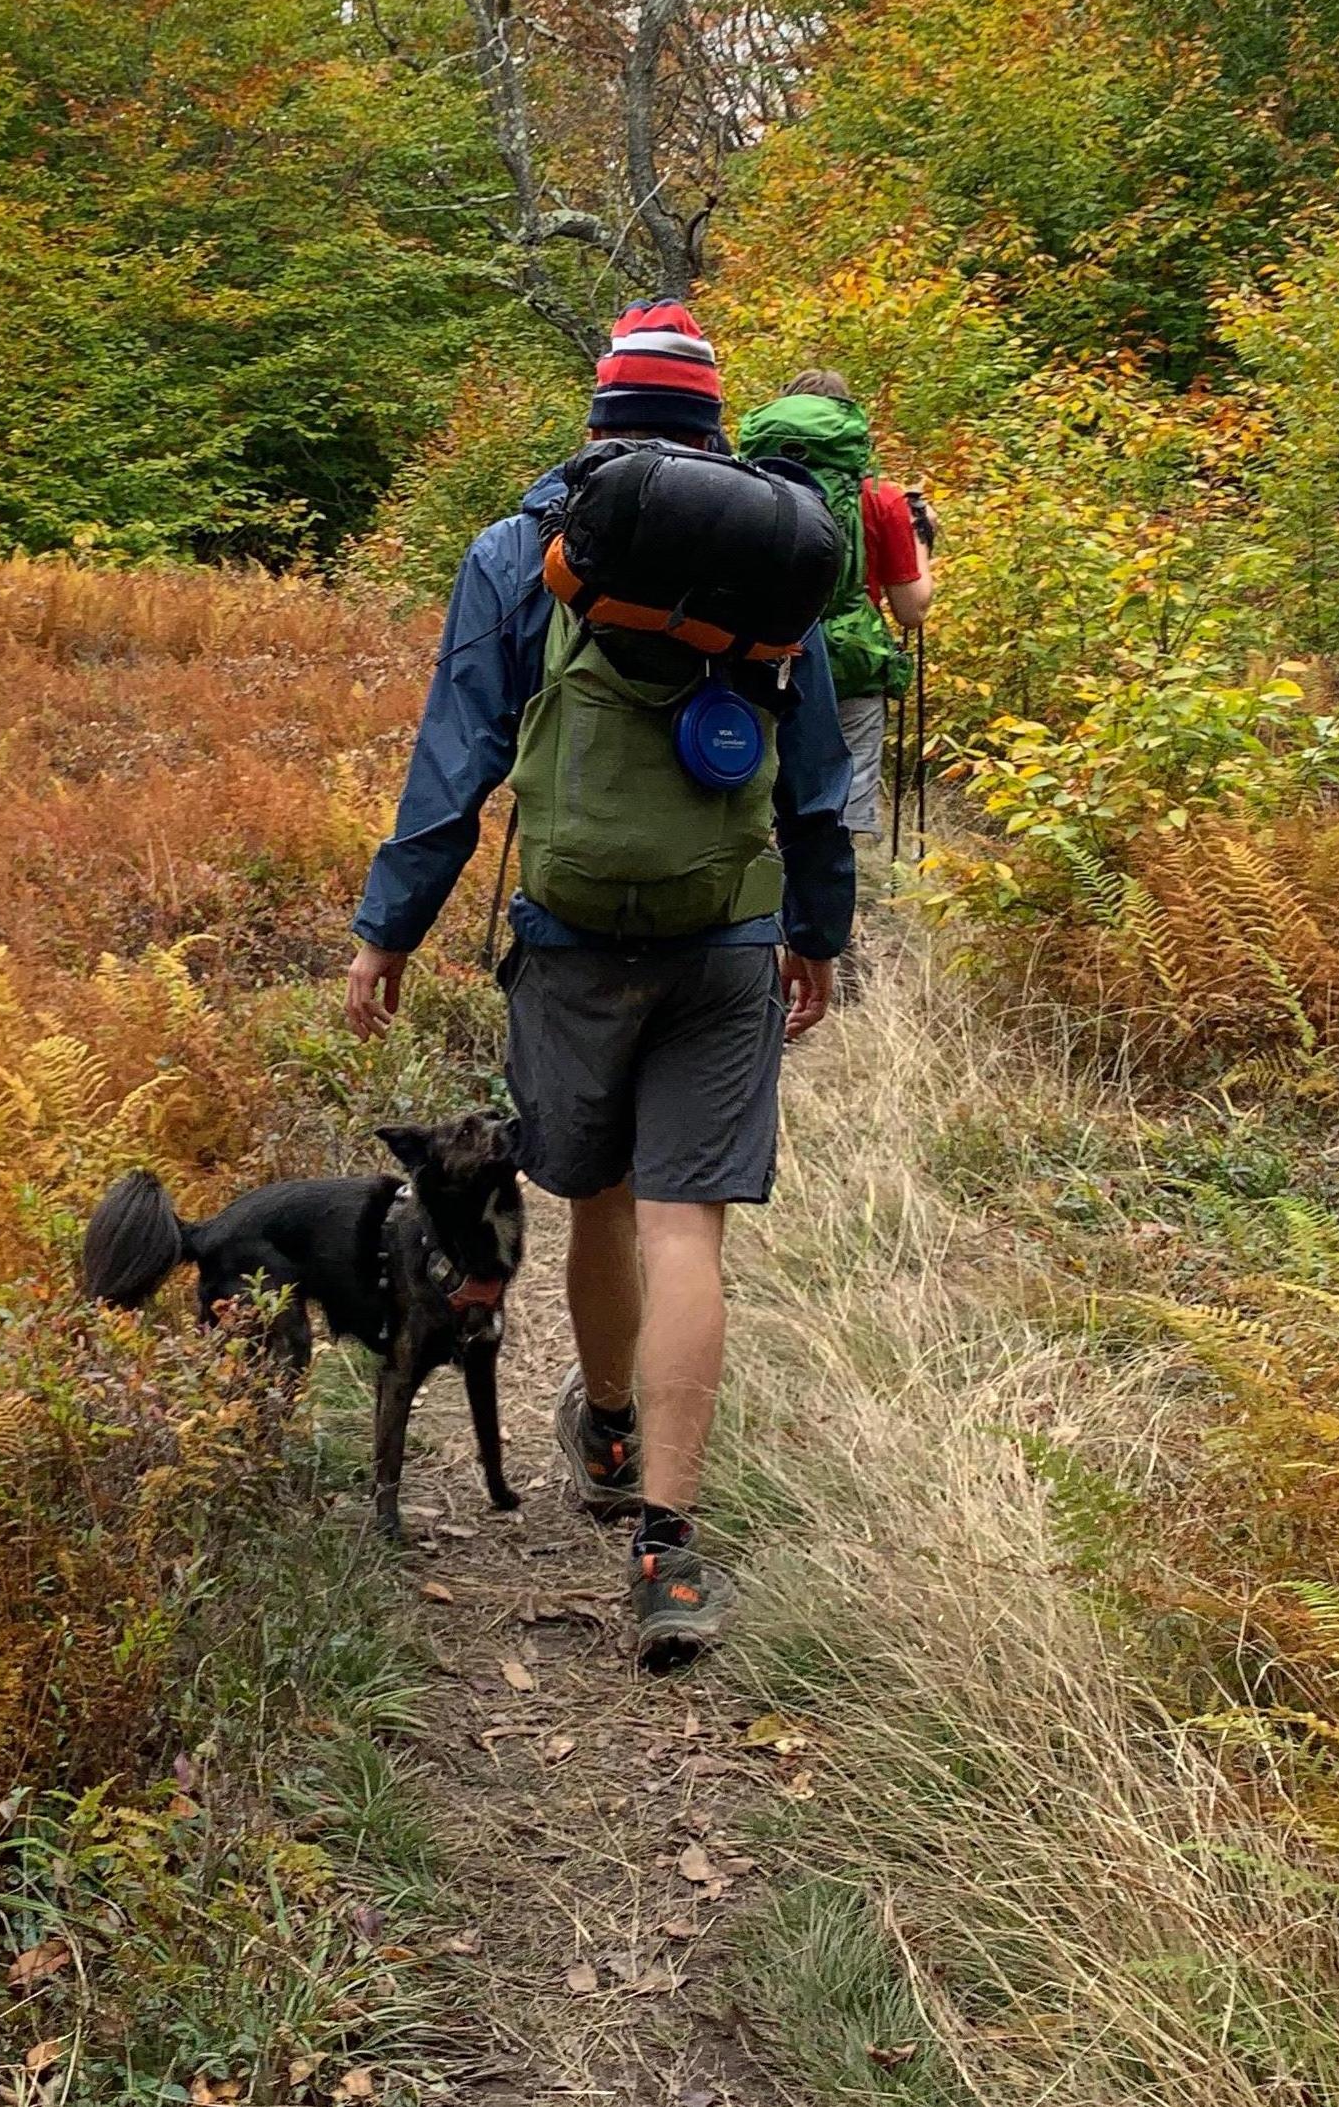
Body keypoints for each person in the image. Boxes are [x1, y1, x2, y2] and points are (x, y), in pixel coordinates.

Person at [343, 303, 855, 1669]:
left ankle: (611, 1425)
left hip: (572, 933)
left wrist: (387, 927)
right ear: (712, 425)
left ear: (596, 421)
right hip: (727, 933)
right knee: (690, 1225)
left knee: (604, 1202)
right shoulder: (776, 552)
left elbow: (455, 759)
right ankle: (669, 1554)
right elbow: (813, 777)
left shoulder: (523, 551)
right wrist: (819, 930)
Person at [736, 370, 932, 853]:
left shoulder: (741, 484)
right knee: (845, 810)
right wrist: (921, 539)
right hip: (850, 665)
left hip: (756, 653)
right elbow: (911, 610)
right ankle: (842, 917)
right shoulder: (883, 498)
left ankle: (760, 911)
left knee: (753, 798)